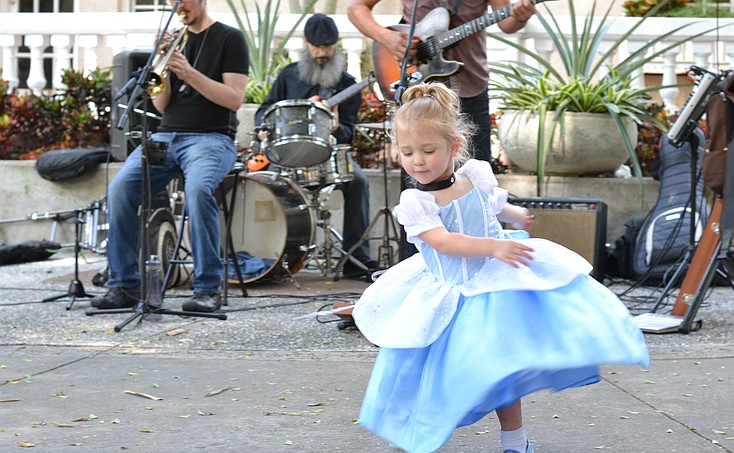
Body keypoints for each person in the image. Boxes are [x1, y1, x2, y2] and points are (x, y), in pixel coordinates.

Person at [352, 83, 649, 453]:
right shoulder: (416, 203)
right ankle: (419, 425)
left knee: (500, 369)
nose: (418, 161)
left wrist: (514, 214)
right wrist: (493, 246)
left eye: (428, 151)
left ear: (454, 146)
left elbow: (491, 205)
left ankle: (516, 445)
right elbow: (443, 241)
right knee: (428, 370)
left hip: (493, 291)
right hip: (447, 295)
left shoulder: (476, 175)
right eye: (408, 153)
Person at [92, 0, 249, 313]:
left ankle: (207, 289)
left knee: (198, 190)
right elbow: (162, 106)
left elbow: (233, 99)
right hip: (166, 135)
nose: (181, 6)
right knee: (120, 188)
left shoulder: (230, 38)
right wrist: (161, 59)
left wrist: (189, 73)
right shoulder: (176, 41)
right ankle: (124, 285)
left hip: (211, 138)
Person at [349, 0, 536, 259]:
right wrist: (387, 38)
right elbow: (356, 7)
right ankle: (418, 267)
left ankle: (487, 259)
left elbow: (507, 22)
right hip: (418, 88)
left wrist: (520, 16)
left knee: (474, 183)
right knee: (420, 185)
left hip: (468, 86)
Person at [254, 13, 377, 278]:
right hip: (287, 154)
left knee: (358, 181)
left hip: (329, 155)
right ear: (306, 45)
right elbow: (265, 109)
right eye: (316, 46)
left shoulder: (348, 85)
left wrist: (334, 126)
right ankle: (268, 256)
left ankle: (356, 259)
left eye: (327, 46)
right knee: (260, 185)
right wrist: (262, 128)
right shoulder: (288, 75)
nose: (322, 52)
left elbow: (349, 134)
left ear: (336, 45)